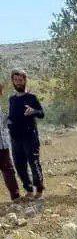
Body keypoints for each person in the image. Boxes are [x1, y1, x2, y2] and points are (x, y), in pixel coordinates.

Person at [8, 69, 45, 199]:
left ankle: (39, 191)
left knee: (34, 163)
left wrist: (33, 111)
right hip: (15, 138)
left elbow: (41, 113)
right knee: (19, 166)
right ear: (13, 81)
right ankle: (28, 190)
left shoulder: (31, 97)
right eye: (16, 80)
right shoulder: (11, 99)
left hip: (30, 137)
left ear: (25, 80)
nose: (18, 82)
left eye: (20, 80)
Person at [0, 80, 21, 203]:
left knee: (8, 171)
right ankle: (16, 197)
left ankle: (16, 197)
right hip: (2, 145)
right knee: (8, 170)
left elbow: (5, 123)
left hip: (3, 145)